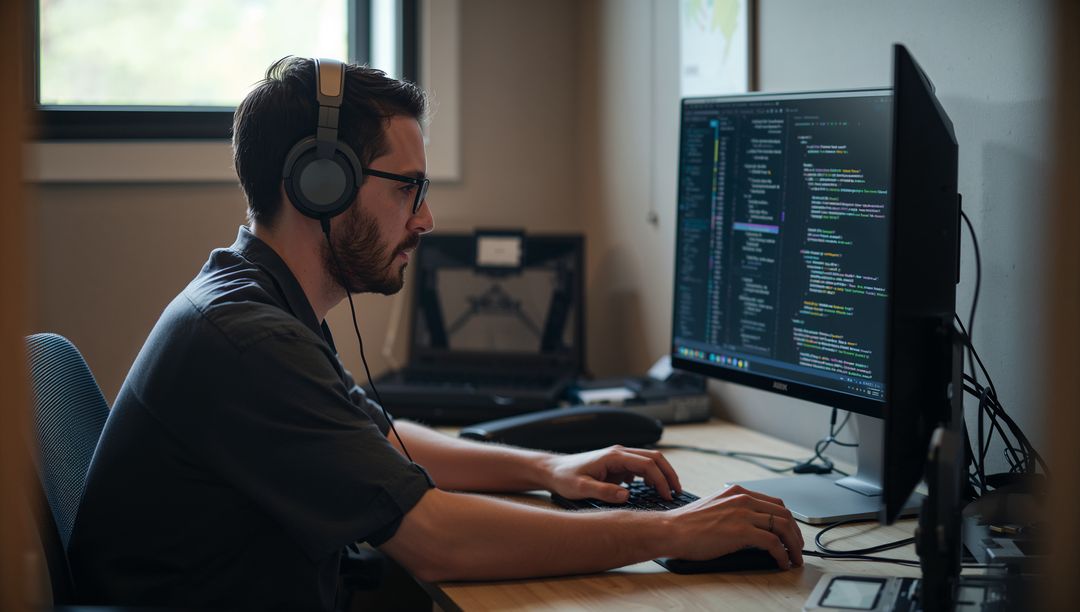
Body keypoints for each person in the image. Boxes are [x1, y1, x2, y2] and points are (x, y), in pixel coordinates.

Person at [68, 57, 803, 611]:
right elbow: (433, 539)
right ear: (318, 185)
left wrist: (546, 470)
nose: (424, 219)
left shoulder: (254, 300)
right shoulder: (247, 339)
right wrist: (671, 534)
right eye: (407, 188)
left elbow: (380, 446)